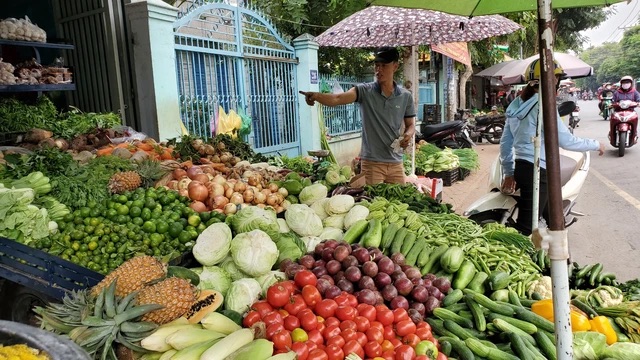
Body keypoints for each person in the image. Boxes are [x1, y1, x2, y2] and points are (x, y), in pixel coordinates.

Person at [499, 59, 605, 236]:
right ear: (551, 79)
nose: (556, 82)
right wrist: (595, 144)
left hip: (522, 168)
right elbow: (566, 141)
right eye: (556, 78)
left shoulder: (516, 104)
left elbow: (506, 143)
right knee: (526, 228)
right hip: (538, 171)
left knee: (554, 219)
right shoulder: (543, 105)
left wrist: (509, 171)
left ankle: (560, 260)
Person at [300, 47, 416, 185]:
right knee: (374, 204)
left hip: (396, 163)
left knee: (400, 203)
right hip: (372, 163)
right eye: (377, 65)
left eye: (384, 66)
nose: (379, 70)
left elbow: (411, 125)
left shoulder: (405, 96)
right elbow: (337, 98)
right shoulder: (364, 91)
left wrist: (408, 135)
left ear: (395, 66)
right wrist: (317, 96)